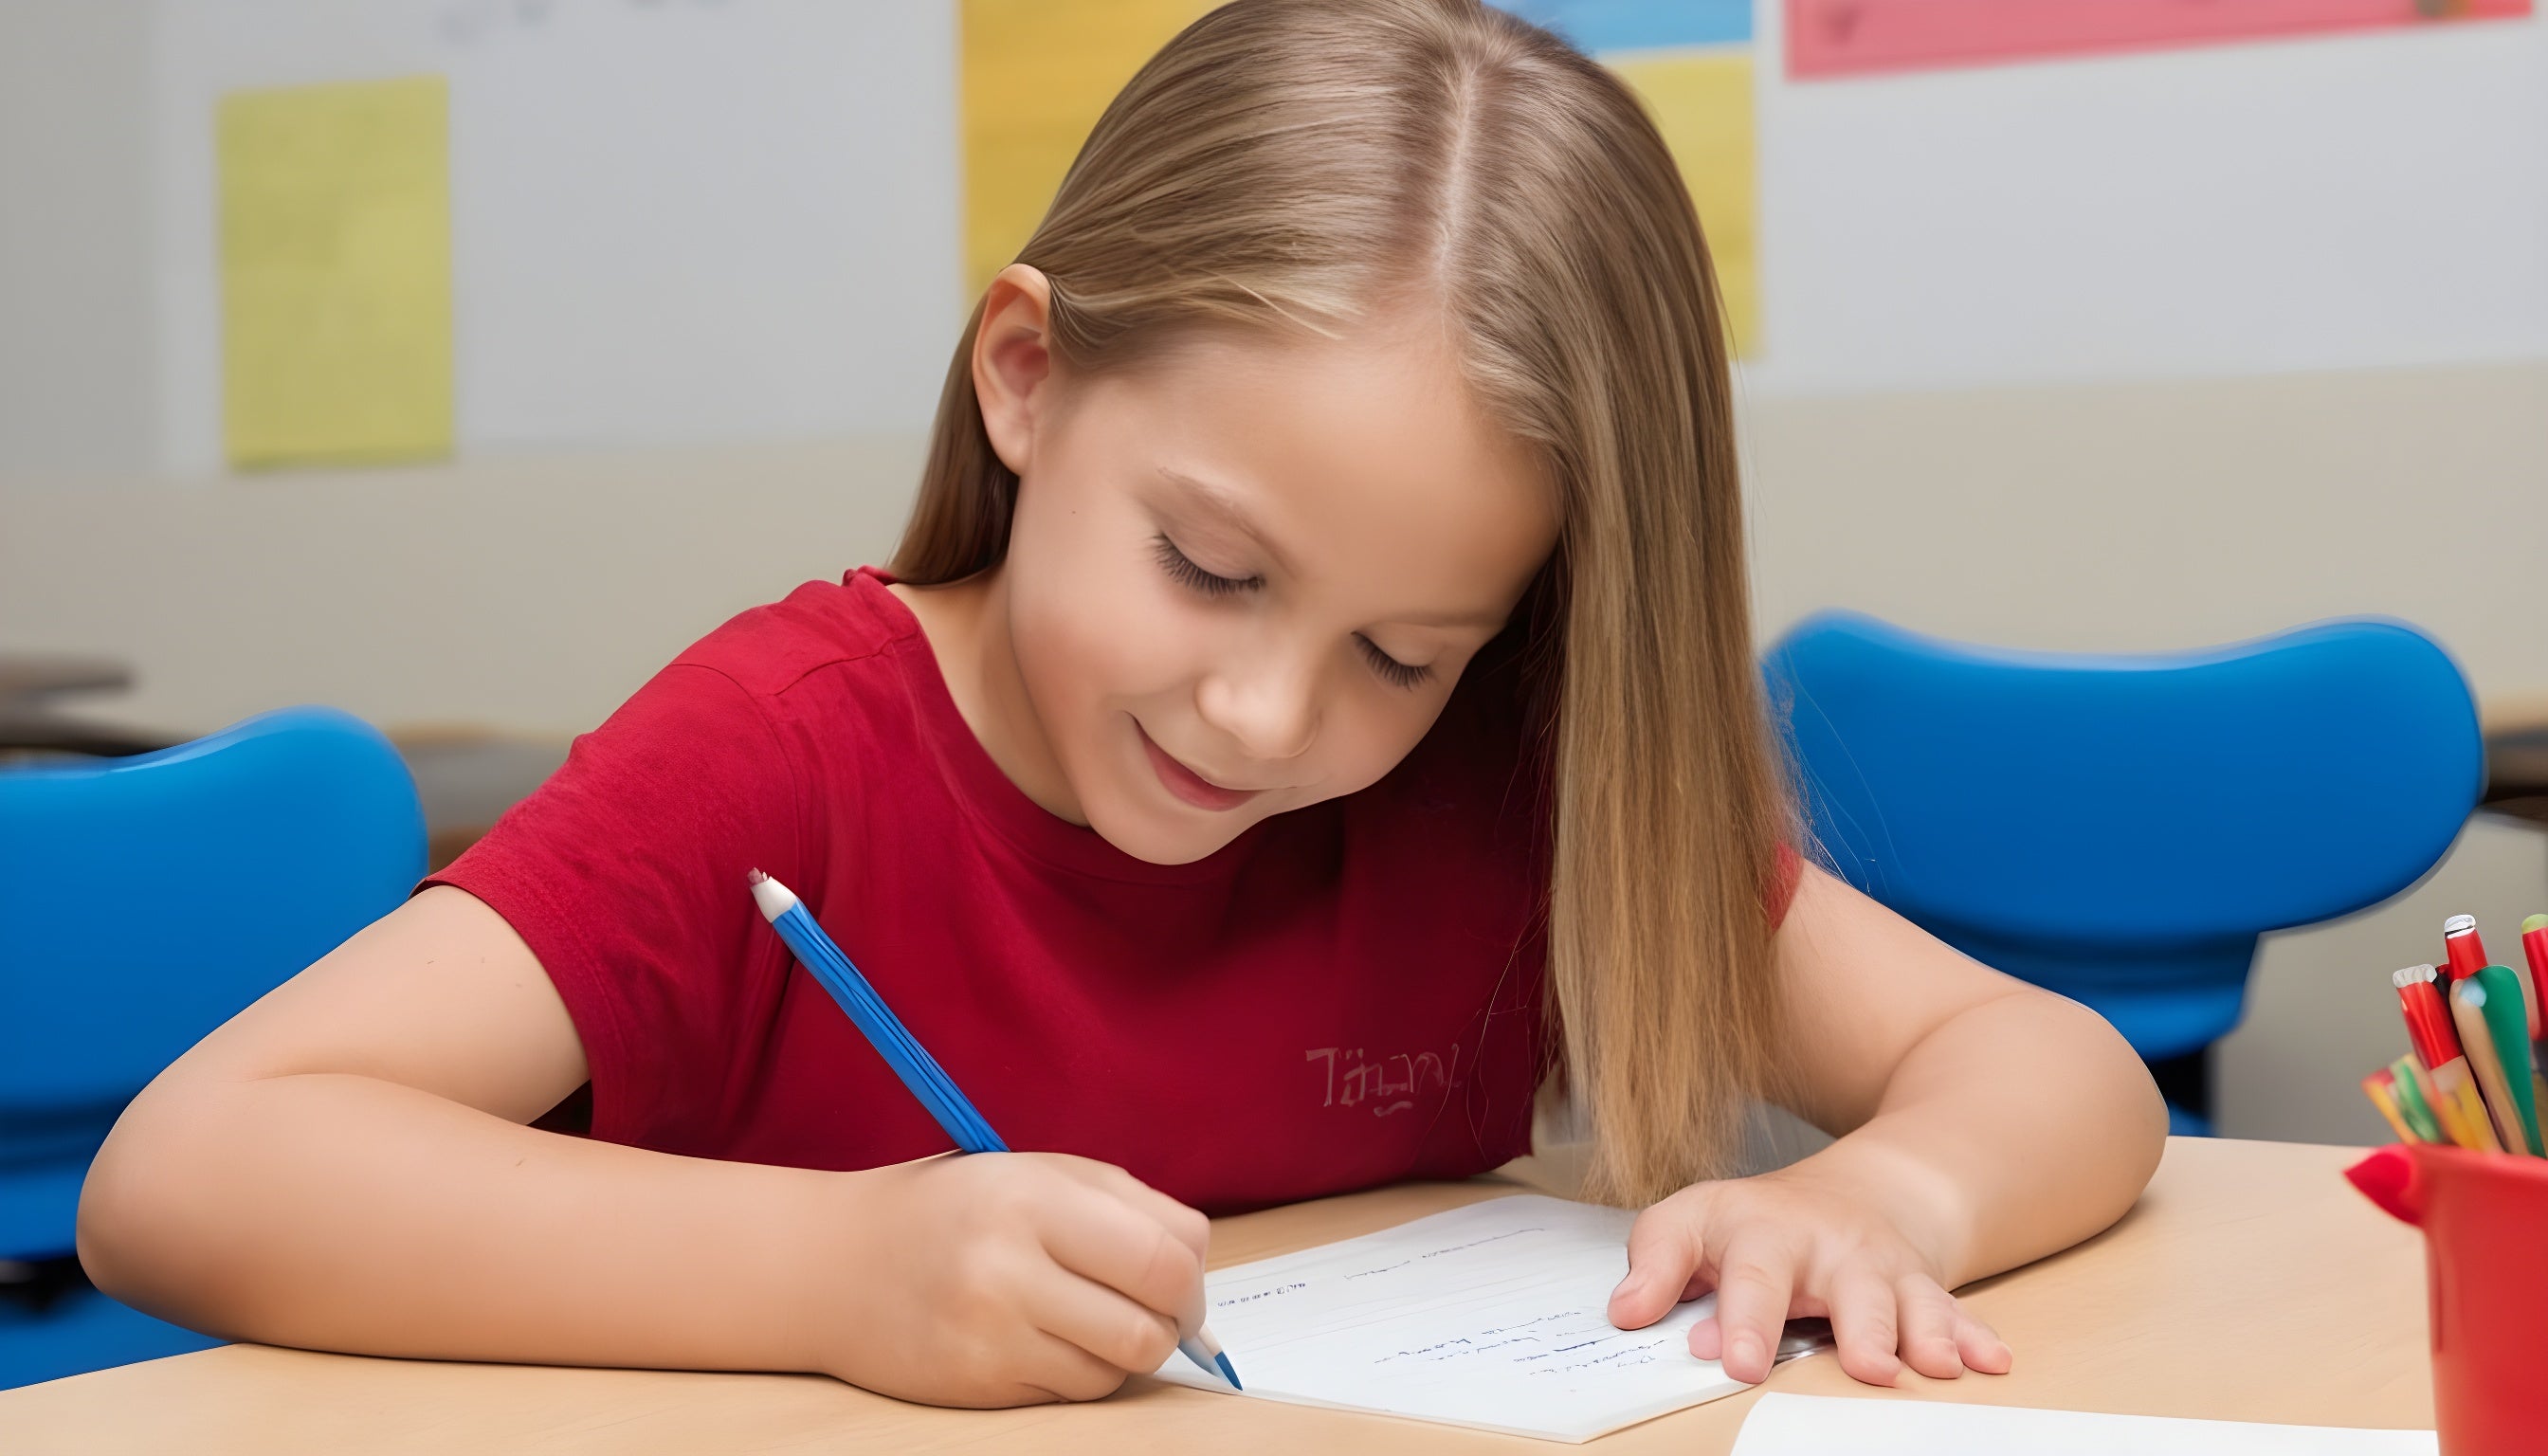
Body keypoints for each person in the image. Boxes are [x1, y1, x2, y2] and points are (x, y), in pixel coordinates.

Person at [80, 0, 2165, 1410]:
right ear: (1026, 379)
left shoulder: (1505, 792)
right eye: (1213, 568)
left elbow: (2050, 1068)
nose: (1267, 716)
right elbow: (195, 1172)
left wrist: (1877, 1197)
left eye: (1404, 651)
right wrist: (836, 1280)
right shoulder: (791, 751)